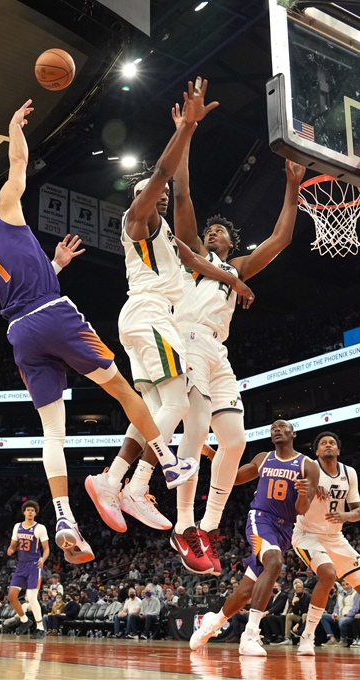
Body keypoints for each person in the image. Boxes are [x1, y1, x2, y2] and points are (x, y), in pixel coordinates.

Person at [0, 101, 203, 564]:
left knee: (53, 434)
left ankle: (63, 514)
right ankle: (164, 459)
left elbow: (17, 280)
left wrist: (55, 265)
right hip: (55, 314)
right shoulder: (2, 207)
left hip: (20, 333)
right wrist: (13, 127)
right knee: (125, 391)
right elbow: (19, 162)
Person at [103, 128, 303, 574]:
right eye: (208, 231)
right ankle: (181, 521)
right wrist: (188, 134)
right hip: (185, 336)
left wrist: (291, 186)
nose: (210, 234)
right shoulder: (190, 253)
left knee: (235, 440)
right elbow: (183, 192)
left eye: (218, 232)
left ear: (230, 243)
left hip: (218, 352)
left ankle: (208, 525)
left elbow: (281, 238)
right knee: (192, 432)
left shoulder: (238, 267)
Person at [84, 79, 255, 536]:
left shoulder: (169, 243)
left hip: (150, 323)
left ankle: (131, 484)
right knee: (178, 401)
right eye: (152, 193)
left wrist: (232, 280)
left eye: (159, 195)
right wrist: (186, 131)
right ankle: (119, 481)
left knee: (157, 407)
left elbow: (196, 256)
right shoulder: (136, 222)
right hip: (150, 315)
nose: (159, 196)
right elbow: (167, 176)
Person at [188, 420, 319, 657]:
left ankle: (212, 624)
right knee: (275, 562)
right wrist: (211, 454)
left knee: (245, 591)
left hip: (285, 529)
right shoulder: (263, 458)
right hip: (260, 519)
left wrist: (302, 494)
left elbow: (302, 509)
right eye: (273, 428)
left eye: (282, 426)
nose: (276, 429)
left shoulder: (308, 466)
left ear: (293, 433)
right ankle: (250, 634)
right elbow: (235, 478)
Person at [289, 431, 360, 656]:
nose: (328, 445)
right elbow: (295, 501)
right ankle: (307, 638)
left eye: (332, 443)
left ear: (338, 450)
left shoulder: (350, 473)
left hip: (336, 537)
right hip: (307, 534)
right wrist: (308, 489)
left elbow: (357, 512)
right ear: (316, 451)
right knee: (327, 574)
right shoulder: (308, 468)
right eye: (323, 443)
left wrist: (346, 516)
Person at [4, 501, 50, 640]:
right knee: (12, 596)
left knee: (31, 597)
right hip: (21, 565)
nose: (30, 512)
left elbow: (47, 548)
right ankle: (24, 621)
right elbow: (13, 545)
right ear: (24, 512)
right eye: (28, 510)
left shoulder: (40, 528)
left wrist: (43, 559)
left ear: (35, 513)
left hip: (34, 565)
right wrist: (11, 549)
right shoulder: (17, 526)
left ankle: (40, 628)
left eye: (32, 510)